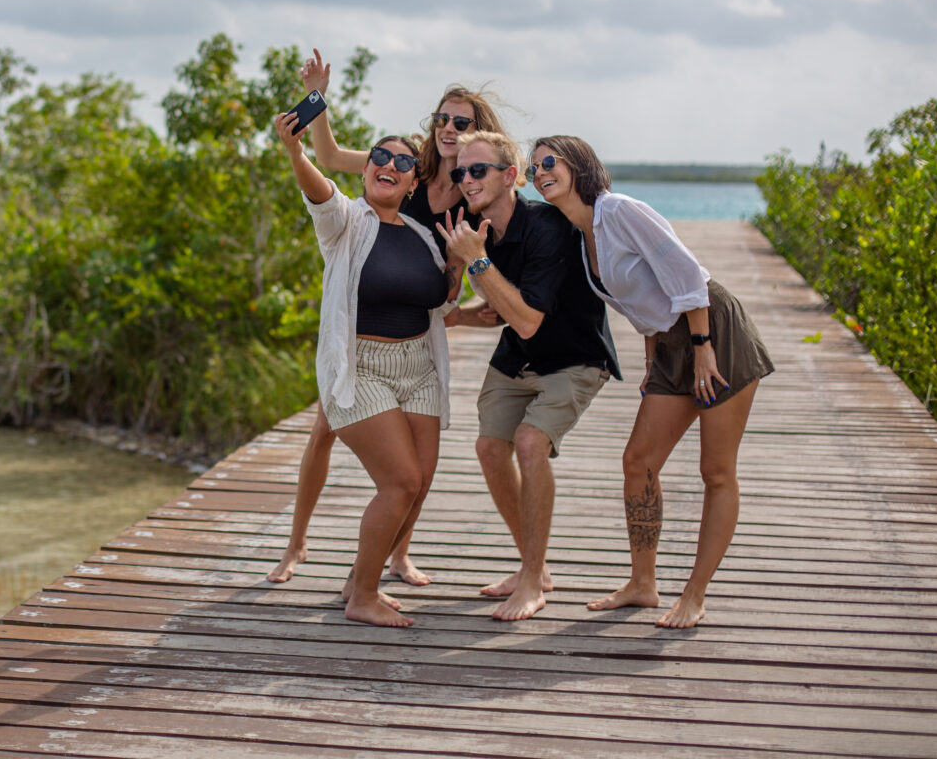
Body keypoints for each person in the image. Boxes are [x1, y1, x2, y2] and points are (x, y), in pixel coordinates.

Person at [268, 50, 508, 586]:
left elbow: (449, 276)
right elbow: (325, 160)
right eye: (441, 119)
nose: (447, 128)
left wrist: (467, 312)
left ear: (478, 132)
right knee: (325, 429)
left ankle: (397, 554)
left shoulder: (473, 193)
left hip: (416, 320)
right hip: (363, 292)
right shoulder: (409, 169)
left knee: (417, 471)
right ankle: (297, 542)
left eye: (460, 122)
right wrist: (316, 101)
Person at [527, 135, 774, 628]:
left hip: (712, 330)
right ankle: (643, 584)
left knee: (716, 471)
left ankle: (695, 594)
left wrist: (702, 349)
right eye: (533, 167)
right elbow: (638, 300)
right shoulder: (581, 236)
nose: (540, 172)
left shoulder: (617, 210)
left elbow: (686, 275)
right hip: (669, 345)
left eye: (549, 161)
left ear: (579, 166)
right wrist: (652, 356)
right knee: (639, 461)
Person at [274, 112, 461, 626]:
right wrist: (296, 153)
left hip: (420, 367)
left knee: (419, 483)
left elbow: (439, 299)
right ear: (366, 170)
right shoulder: (347, 222)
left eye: (403, 161)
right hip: (361, 369)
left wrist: (461, 266)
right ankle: (364, 597)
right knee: (399, 482)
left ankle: (359, 580)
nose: (389, 164)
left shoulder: (425, 235)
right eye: (380, 155)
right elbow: (321, 190)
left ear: (412, 181)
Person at [438, 130, 621, 621]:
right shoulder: (483, 232)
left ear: (510, 177)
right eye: (460, 173)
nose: (467, 180)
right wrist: (462, 313)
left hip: (574, 355)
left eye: (478, 171)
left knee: (529, 442)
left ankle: (533, 581)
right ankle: (532, 569)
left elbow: (527, 317)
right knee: (488, 447)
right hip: (519, 355)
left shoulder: (546, 227)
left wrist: (475, 260)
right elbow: (502, 313)